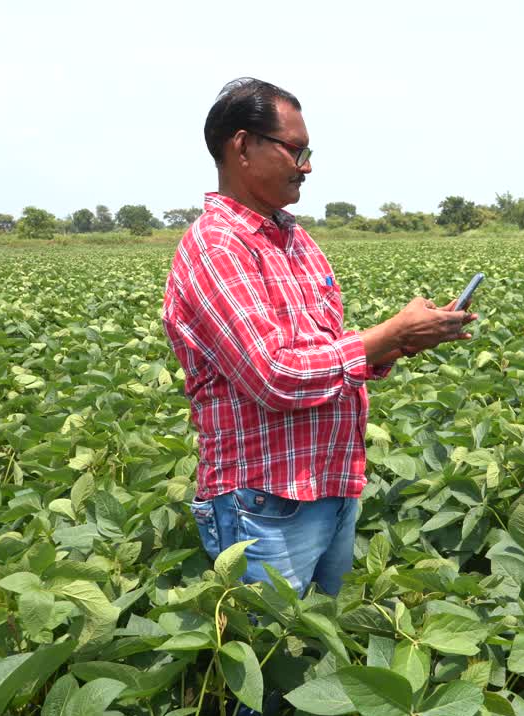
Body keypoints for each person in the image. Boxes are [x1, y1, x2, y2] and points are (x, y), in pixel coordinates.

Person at [162, 77, 477, 599]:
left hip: (330, 488)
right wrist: (384, 335)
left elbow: (321, 348)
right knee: (276, 660)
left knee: (324, 658)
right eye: (295, 150)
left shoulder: (296, 238)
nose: (306, 166)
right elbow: (277, 376)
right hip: (263, 505)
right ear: (243, 146)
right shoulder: (217, 247)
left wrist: (402, 341)